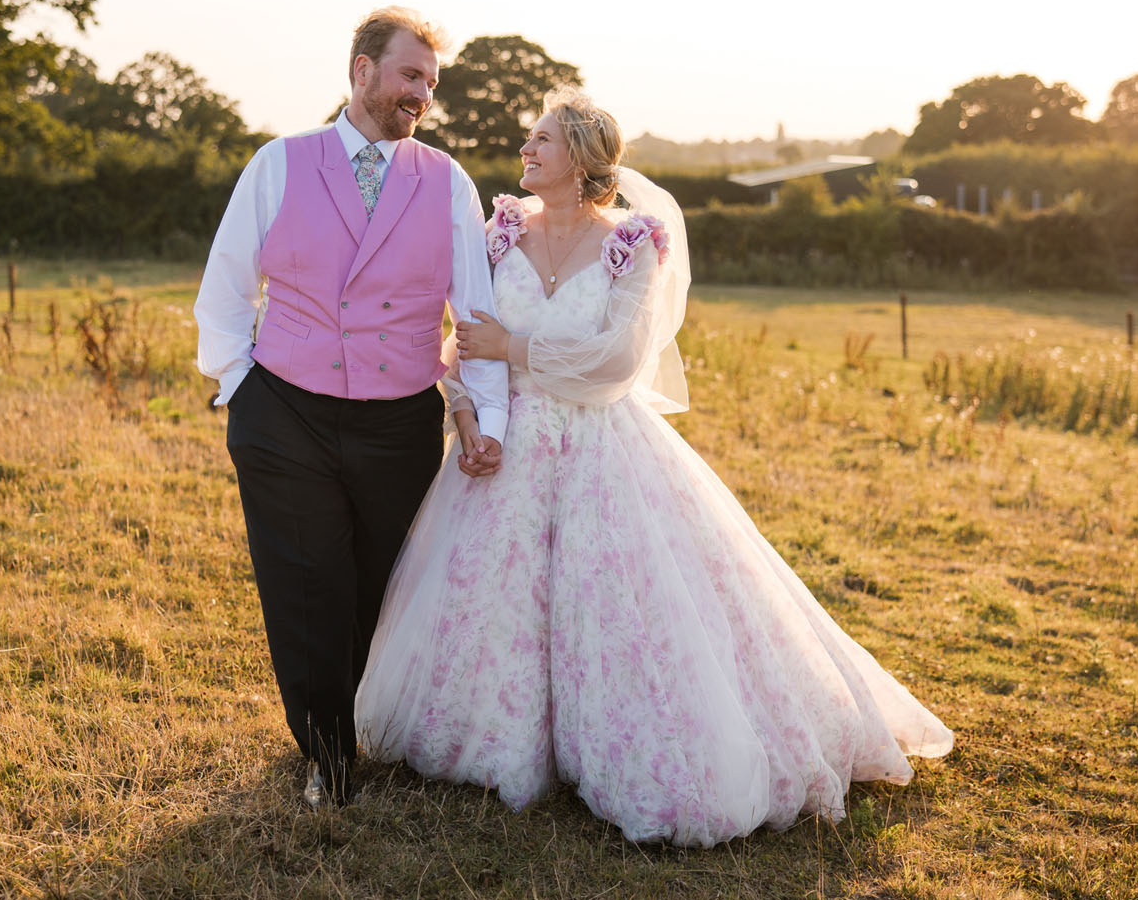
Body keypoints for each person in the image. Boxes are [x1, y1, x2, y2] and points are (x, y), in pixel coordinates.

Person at [354, 87, 952, 846]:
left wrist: (519, 350)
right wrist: (467, 417)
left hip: (602, 450)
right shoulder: (497, 231)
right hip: (502, 456)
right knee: (496, 599)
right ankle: (501, 740)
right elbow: (459, 338)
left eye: (540, 141)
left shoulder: (632, 245)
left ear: (579, 156)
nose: (525, 153)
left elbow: (618, 361)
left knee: (614, 608)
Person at [194, 7, 509, 809]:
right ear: (361, 69)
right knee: (305, 585)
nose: (422, 96)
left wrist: (484, 417)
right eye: (411, 76)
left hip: (398, 421)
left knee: (378, 585)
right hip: (285, 411)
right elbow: (228, 282)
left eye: (431, 85)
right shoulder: (279, 162)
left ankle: (366, 718)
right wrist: (240, 388)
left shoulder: (448, 183)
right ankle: (326, 753)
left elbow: (472, 315)